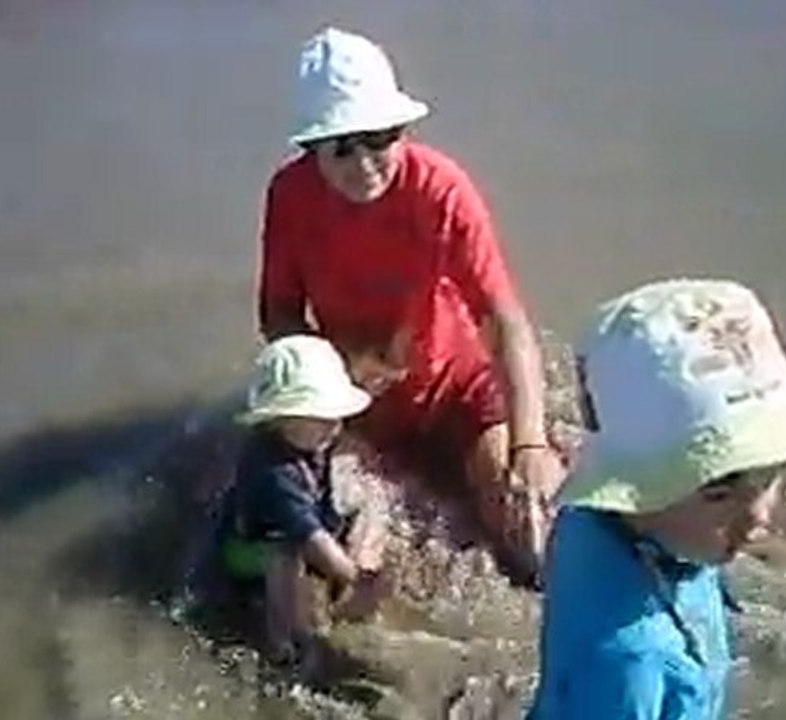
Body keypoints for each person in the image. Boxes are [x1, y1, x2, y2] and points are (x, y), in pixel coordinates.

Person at [256, 26, 562, 581]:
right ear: (311, 149)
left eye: (381, 138)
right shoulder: (290, 197)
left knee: (529, 534)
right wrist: (328, 385)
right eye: (343, 146)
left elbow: (503, 319)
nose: (365, 162)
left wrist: (530, 442)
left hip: (459, 389)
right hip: (356, 403)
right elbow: (279, 316)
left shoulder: (441, 189)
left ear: (405, 130)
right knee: (343, 560)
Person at [529, 279, 786, 719]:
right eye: (720, 493)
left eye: (770, 477)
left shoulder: (603, 526)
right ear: (638, 492)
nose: (759, 515)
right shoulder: (630, 665)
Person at [219, 334, 383, 666]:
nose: (335, 426)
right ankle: (286, 643)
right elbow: (312, 540)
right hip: (252, 549)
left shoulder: (307, 441)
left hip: (304, 520)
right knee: (286, 557)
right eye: (323, 418)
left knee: (370, 501)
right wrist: (348, 574)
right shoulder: (275, 475)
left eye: (337, 416)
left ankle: (364, 572)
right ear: (282, 417)